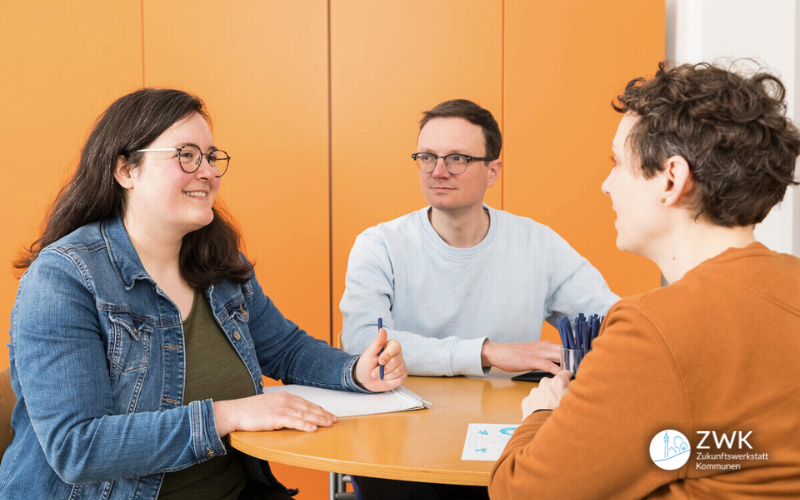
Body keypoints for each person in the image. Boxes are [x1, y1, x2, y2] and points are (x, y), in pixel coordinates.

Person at [0, 88, 407, 500]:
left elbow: (285, 348)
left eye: (212, 157)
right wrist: (227, 415)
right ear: (126, 170)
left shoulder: (217, 258)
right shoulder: (63, 279)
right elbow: (78, 448)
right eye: (186, 155)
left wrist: (355, 371)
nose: (208, 172)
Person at [489, 62, 800, 499]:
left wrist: (541, 414)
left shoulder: (654, 329)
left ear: (672, 179)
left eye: (617, 162)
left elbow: (519, 493)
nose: (605, 185)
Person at [340, 99, 618, 378]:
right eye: (427, 157)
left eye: (457, 159)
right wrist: (486, 352)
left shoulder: (539, 245)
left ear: (492, 172)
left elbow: (613, 323)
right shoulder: (379, 246)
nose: (438, 172)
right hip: (407, 415)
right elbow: (362, 342)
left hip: (511, 417)